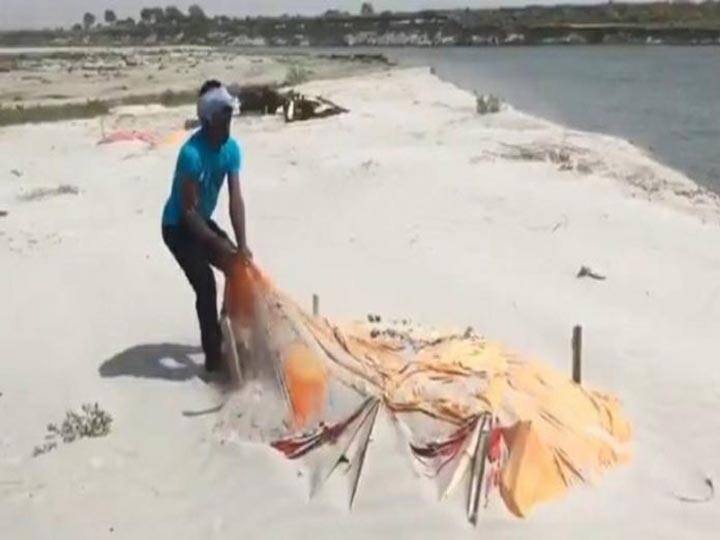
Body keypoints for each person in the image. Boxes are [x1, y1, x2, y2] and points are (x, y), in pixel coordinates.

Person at [161, 79, 252, 373]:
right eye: (225, 118)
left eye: (230, 118)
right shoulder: (192, 155)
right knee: (206, 284)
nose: (229, 124)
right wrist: (219, 247)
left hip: (200, 219)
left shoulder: (232, 149)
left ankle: (229, 329)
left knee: (238, 268)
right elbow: (188, 213)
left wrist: (242, 244)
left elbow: (235, 200)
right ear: (209, 120)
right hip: (177, 226)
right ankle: (213, 359)